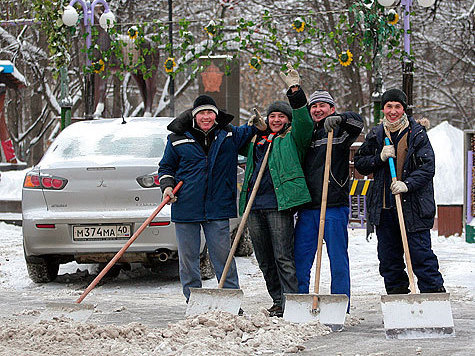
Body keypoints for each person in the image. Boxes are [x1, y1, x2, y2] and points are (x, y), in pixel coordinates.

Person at [158, 94, 265, 305]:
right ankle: (194, 302)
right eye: (202, 113)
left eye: (210, 113)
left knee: (223, 257)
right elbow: (166, 167)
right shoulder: (177, 138)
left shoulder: (229, 135)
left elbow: (255, 129)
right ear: (194, 115)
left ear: (216, 115)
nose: (206, 117)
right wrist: (167, 186)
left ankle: (230, 300)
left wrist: (258, 125)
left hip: (218, 205)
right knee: (188, 260)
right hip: (186, 205)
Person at [280, 66, 364, 308]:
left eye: (323, 106)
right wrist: (295, 92)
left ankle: (340, 304)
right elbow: (296, 114)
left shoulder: (340, 131)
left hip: (334, 206)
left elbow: (358, 123)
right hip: (308, 208)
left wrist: (342, 119)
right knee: (301, 259)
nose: (318, 110)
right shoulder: (304, 134)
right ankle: (303, 303)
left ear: (331, 108)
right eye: (314, 106)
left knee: (338, 259)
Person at [354, 88, 445, 294]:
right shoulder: (376, 134)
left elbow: (427, 167)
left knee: (421, 257)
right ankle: (398, 302)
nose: (393, 111)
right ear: (383, 109)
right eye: (389, 106)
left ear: (403, 109)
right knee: (389, 261)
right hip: (385, 209)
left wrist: (407, 184)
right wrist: (379, 158)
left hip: (413, 208)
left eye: (397, 106)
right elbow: (360, 163)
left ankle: (433, 299)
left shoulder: (417, 134)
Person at [239, 98, 313, 317]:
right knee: (264, 258)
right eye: (272, 116)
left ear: (288, 120)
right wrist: (252, 126)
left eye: (281, 116)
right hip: (254, 205)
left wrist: (296, 96)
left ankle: (291, 300)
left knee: (282, 255)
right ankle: (278, 300)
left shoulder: (291, 138)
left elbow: (305, 125)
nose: (276, 120)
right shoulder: (255, 140)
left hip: (278, 204)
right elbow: (236, 140)